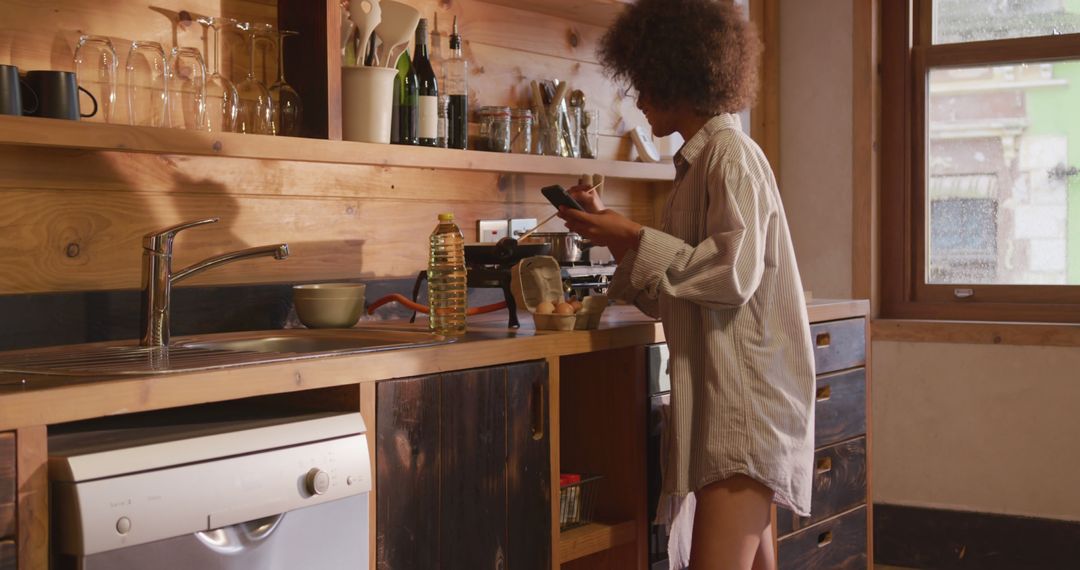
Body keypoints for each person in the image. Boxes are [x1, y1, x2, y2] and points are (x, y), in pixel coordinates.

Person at [557, 1, 815, 569]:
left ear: (681, 79)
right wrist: (615, 234)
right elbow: (680, 288)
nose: (639, 99)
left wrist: (628, 230)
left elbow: (732, 274)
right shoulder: (699, 167)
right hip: (731, 406)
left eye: (646, 85)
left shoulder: (730, 155)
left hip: (743, 413)